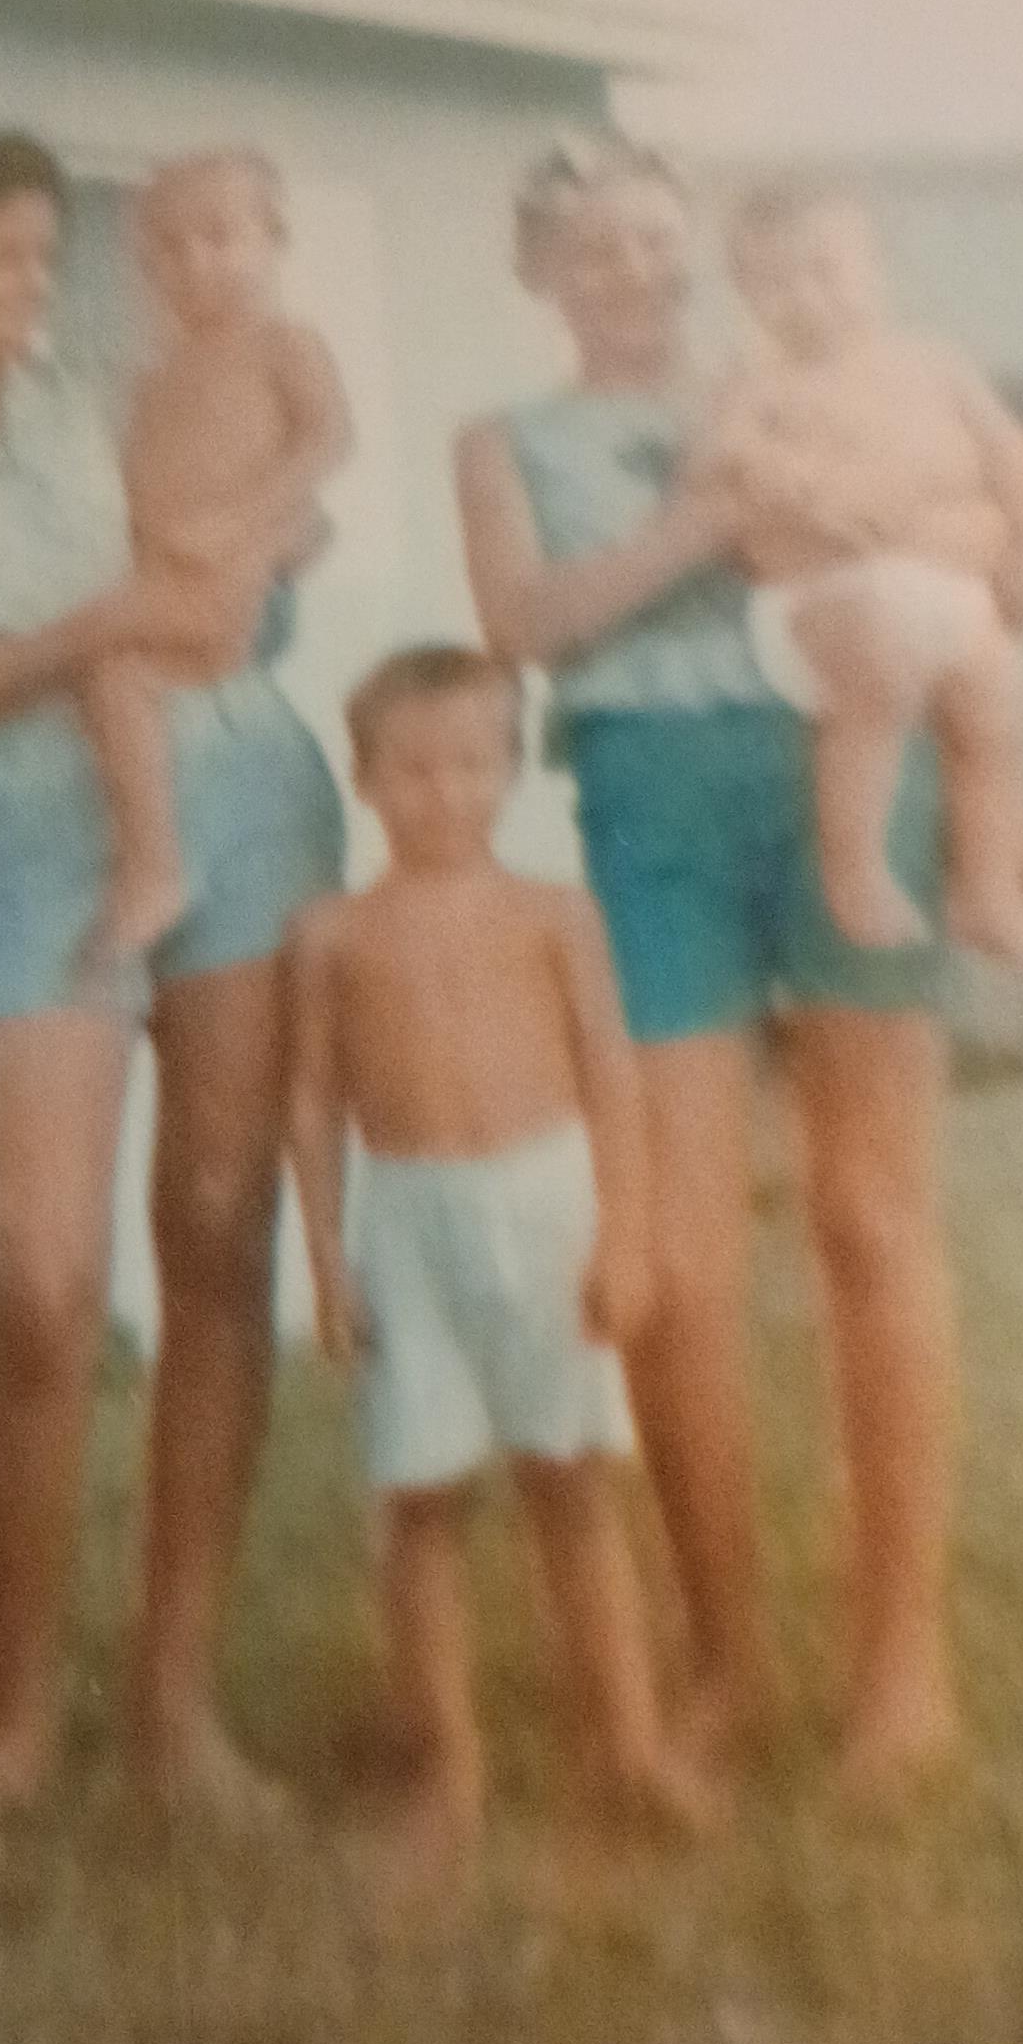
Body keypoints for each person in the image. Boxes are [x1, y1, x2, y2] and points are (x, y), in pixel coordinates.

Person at [0, 129, 349, 1836]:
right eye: (10, 258)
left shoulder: (95, 397)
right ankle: (16, 1720)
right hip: (27, 844)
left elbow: (282, 504)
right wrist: (102, 628)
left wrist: (251, 556)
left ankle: (180, 1708)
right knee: (39, 1274)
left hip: (238, 790)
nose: (46, 286)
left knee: (225, 1222)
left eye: (49, 255)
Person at [453, 133, 965, 1794]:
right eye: (593, 250)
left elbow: (963, 510)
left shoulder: (805, 370)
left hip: (847, 766)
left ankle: (903, 1662)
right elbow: (527, 624)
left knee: (871, 1212)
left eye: (660, 242)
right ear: (542, 275)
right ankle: (731, 1658)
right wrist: (709, 518)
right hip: (650, 813)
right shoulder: (507, 439)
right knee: (672, 1252)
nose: (634, 275)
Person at [286, 647, 712, 1899]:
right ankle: (447, 1774)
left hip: (544, 1204)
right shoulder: (332, 932)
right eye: (411, 770)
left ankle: (627, 1750)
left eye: (472, 763)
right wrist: (324, 1258)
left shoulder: (552, 914)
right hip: (407, 1218)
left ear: (510, 773)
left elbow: (613, 1079)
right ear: (364, 781)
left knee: (569, 1481)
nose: (443, 793)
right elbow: (312, 1105)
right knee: (420, 1501)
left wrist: (625, 1233)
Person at [698, 174, 1023, 972]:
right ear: (746, 296)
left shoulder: (935, 363)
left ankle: (991, 890)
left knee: (1000, 708)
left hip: (951, 596)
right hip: (825, 599)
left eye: (824, 269)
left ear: (876, 271)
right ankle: (855, 866)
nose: (803, 297)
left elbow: (1012, 459)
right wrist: (793, 482)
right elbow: (717, 458)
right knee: (884, 672)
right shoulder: (758, 381)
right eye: (772, 281)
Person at [78, 149, 353, 974]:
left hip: (241, 568)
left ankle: (156, 863)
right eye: (168, 247)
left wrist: (245, 523)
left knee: (117, 675)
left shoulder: (284, 343)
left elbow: (328, 441)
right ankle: (155, 857)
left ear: (274, 240)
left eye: (220, 237)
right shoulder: (152, 380)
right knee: (111, 669)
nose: (194, 263)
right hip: (170, 574)